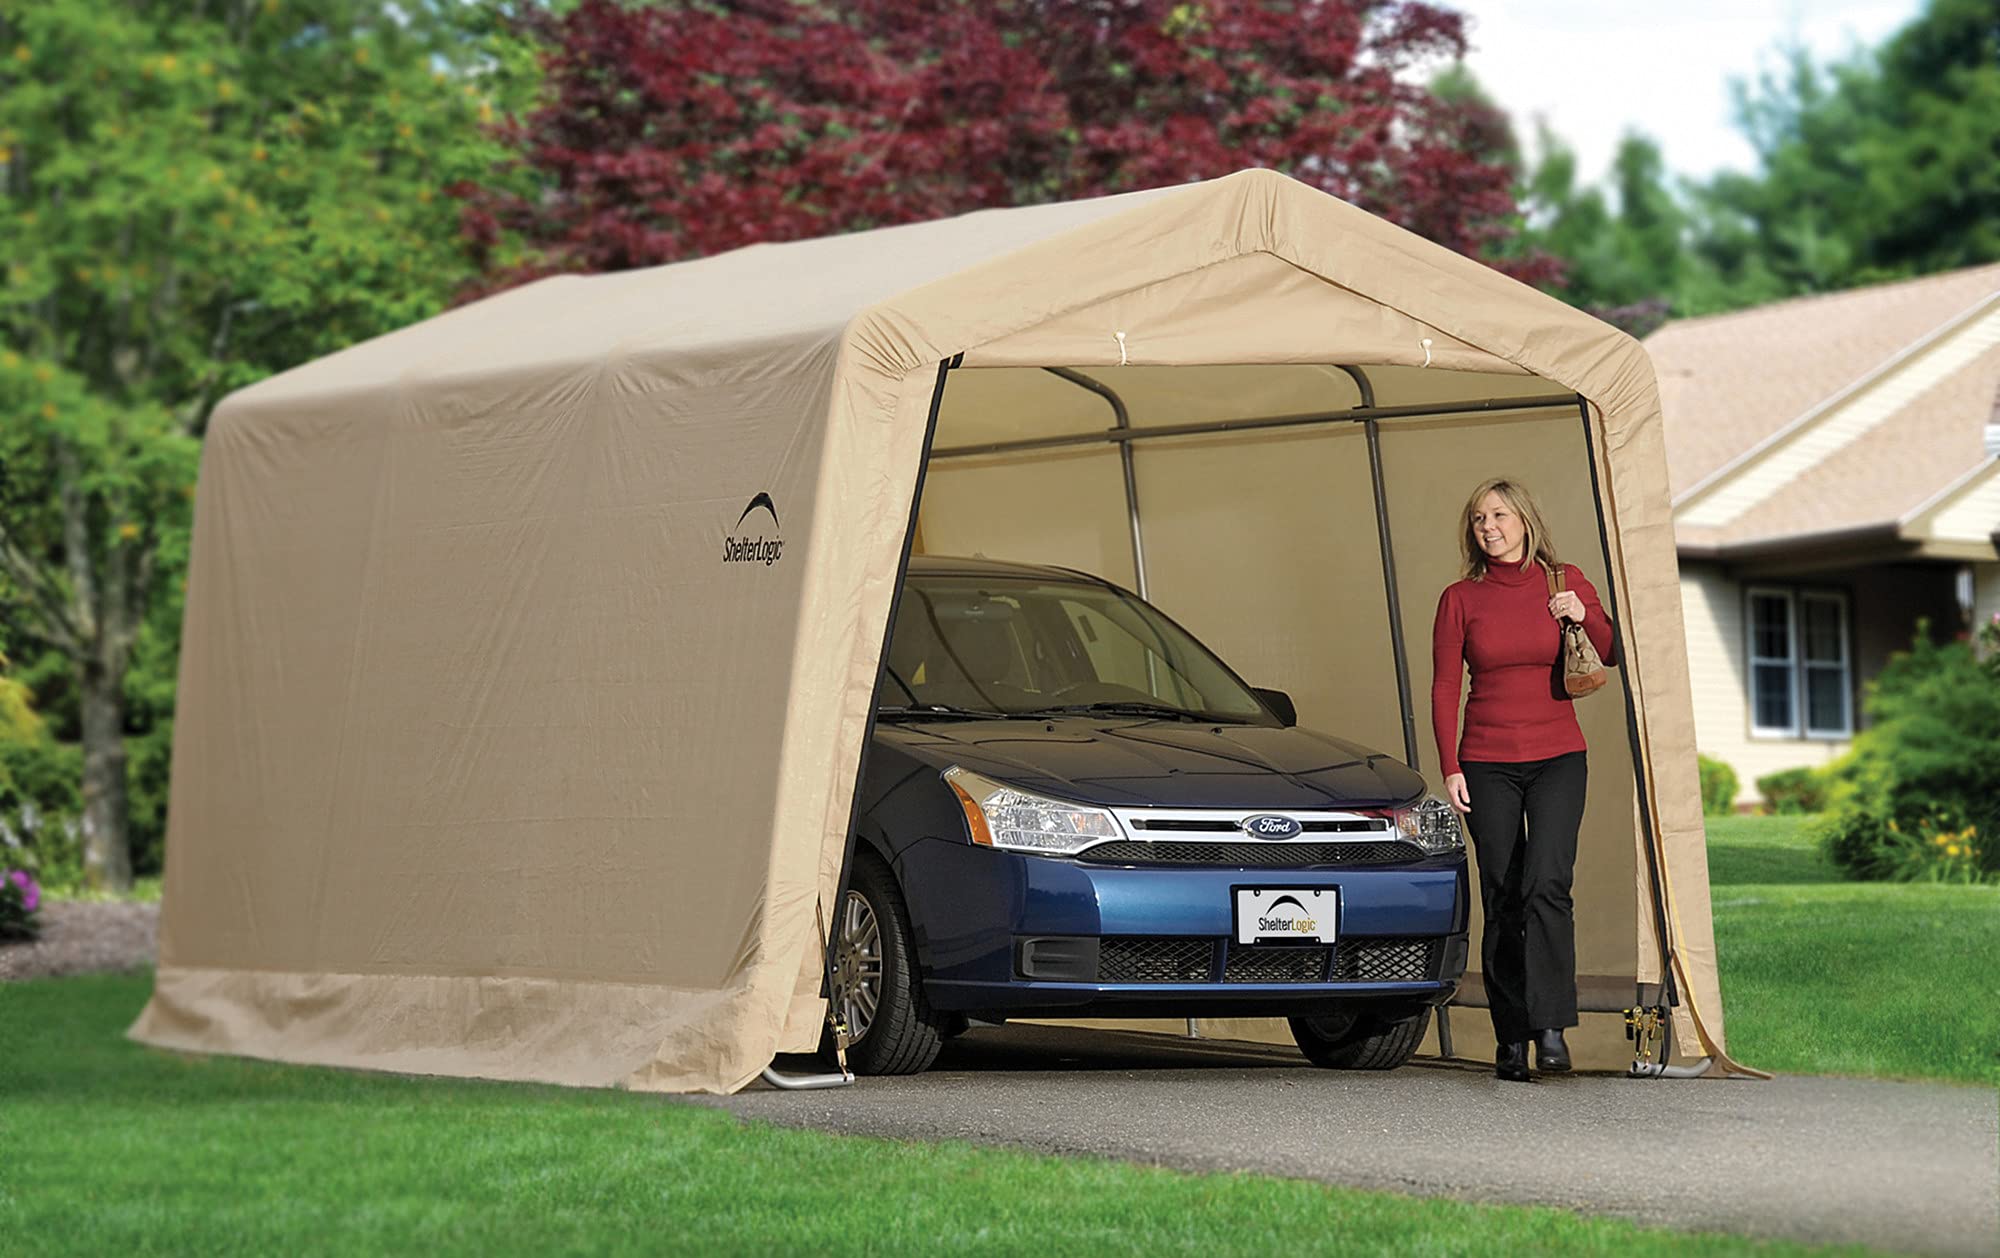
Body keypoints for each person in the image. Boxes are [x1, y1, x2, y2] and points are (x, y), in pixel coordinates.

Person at [1430, 478, 1615, 1082]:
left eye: (1500, 515)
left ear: (1525, 520)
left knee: (1548, 885)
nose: (1488, 526)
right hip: (1486, 763)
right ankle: (1511, 1038)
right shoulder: (1460, 598)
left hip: (1559, 756)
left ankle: (1553, 1029)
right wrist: (1450, 766)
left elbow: (1610, 650)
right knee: (1503, 893)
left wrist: (1583, 613)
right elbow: (1444, 686)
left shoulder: (1563, 579)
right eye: (1479, 517)